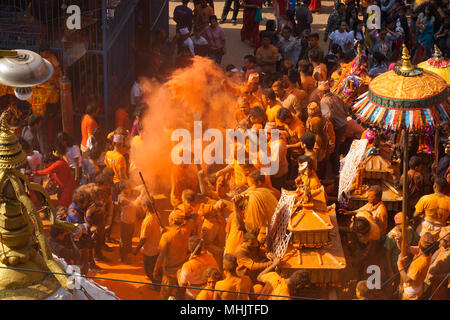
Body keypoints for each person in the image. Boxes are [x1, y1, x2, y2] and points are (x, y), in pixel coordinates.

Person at [154, 210, 189, 300]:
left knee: (164, 296)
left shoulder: (166, 236)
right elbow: (177, 233)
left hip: (170, 274)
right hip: (182, 273)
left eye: (169, 218)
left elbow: (161, 256)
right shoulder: (186, 232)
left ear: (173, 220)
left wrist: (155, 270)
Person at [66, 189, 103, 274]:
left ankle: (88, 269)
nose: (88, 204)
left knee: (84, 261)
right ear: (79, 203)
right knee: (81, 265)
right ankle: (81, 281)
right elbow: (81, 230)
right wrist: (88, 214)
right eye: (86, 202)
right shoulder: (73, 214)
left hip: (84, 241)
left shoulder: (78, 208)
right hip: (79, 243)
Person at [398, 232, 438, 300]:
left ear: (419, 243)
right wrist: (400, 241)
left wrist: (399, 264)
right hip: (418, 288)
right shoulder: (426, 253)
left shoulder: (419, 265)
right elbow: (407, 248)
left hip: (410, 295)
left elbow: (407, 279)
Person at [132, 196, 162, 285]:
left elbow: (143, 239)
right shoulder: (157, 214)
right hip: (157, 247)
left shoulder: (147, 221)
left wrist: (136, 250)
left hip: (149, 251)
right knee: (156, 267)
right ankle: (158, 280)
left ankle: (156, 285)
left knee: (149, 270)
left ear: (146, 207)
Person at [424, 226, 450, 300]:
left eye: (441, 239)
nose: (438, 240)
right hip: (428, 282)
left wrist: (435, 277)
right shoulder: (441, 248)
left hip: (439, 288)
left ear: (448, 242)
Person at [117, 180, 139, 264]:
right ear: (123, 189)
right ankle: (123, 257)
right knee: (124, 240)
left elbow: (139, 189)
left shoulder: (128, 194)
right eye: (128, 187)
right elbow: (134, 204)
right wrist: (140, 198)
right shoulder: (122, 198)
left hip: (131, 221)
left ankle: (128, 250)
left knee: (129, 237)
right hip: (125, 222)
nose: (130, 189)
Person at [104, 134, 128, 199]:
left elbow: (106, 168)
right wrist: (126, 187)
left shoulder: (108, 153)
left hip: (110, 182)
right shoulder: (120, 157)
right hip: (118, 185)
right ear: (120, 145)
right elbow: (122, 176)